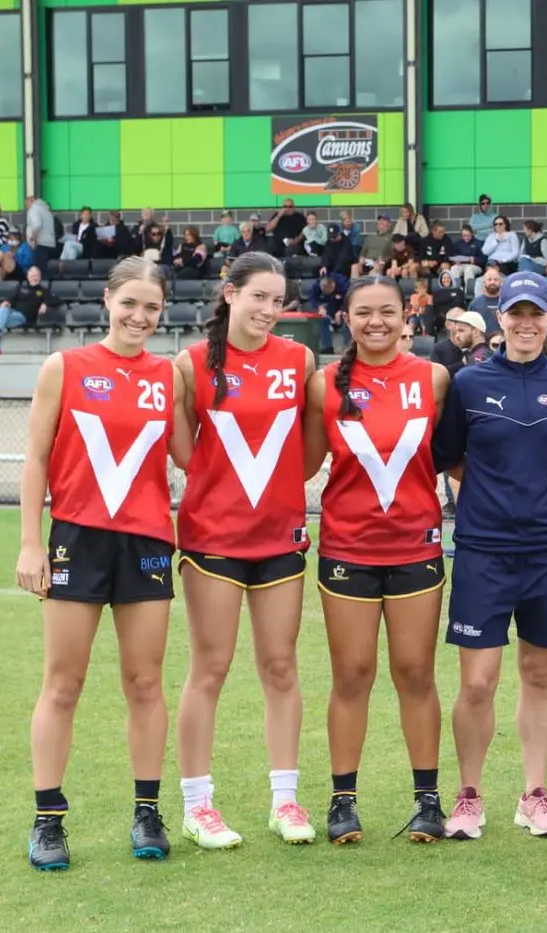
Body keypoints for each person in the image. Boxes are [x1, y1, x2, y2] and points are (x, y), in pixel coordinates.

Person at [16, 257, 191, 871]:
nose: (140, 317)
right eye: (130, 304)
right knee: (63, 684)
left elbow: (192, 458)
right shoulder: (64, 367)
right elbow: (36, 459)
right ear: (108, 301)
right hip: (76, 539)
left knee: (145, 683)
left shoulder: (169, 379)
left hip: (146, 543)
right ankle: (48, 821)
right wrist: (31, 543)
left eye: (152, 307)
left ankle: (147, 811)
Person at [431, 271, 547, 840]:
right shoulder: (468, 383)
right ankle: (469, 795)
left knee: (540, 674)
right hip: (483, 550)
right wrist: (496, 496)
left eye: (537, 313)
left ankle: (535, 794)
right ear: (499, 317)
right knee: (477, 682)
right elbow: (448, 457)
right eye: (516, 312)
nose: (527, 322)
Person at [172, 252, 318, 849]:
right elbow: (185, 452)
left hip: (278, 537)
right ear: (229, 294)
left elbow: (311, 454)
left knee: (281, 668)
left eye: (277, 300)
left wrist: (277, 497)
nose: (268, 310)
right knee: (210, 668)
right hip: (213, 540)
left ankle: (284, 801)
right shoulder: (189, 364)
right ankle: (197, 805)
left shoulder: (300, 359)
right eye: (258, 296)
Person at [302, 275, 453, 844]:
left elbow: (458, 457)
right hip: (347, 549)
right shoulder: (324, 386)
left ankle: (428, 801)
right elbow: (304, 466)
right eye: (364, 312)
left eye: (387, 312)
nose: (376, 322)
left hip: (416, 547)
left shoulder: (434, 379)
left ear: (406, 316)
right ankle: (343, 801)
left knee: (415, 672)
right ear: (347, 319)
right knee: (353, 674)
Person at [0, 265, 62, 354]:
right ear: (28, 277)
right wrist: (7, 302)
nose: (35, 278)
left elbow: (58, 300)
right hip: (11, 313)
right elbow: (11, 298)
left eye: (37, 276)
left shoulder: (44, 291)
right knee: (2, 309)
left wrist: (45, 304)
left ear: (40, 277)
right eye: (33, 276)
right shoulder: (20, 288)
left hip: (23, 317)